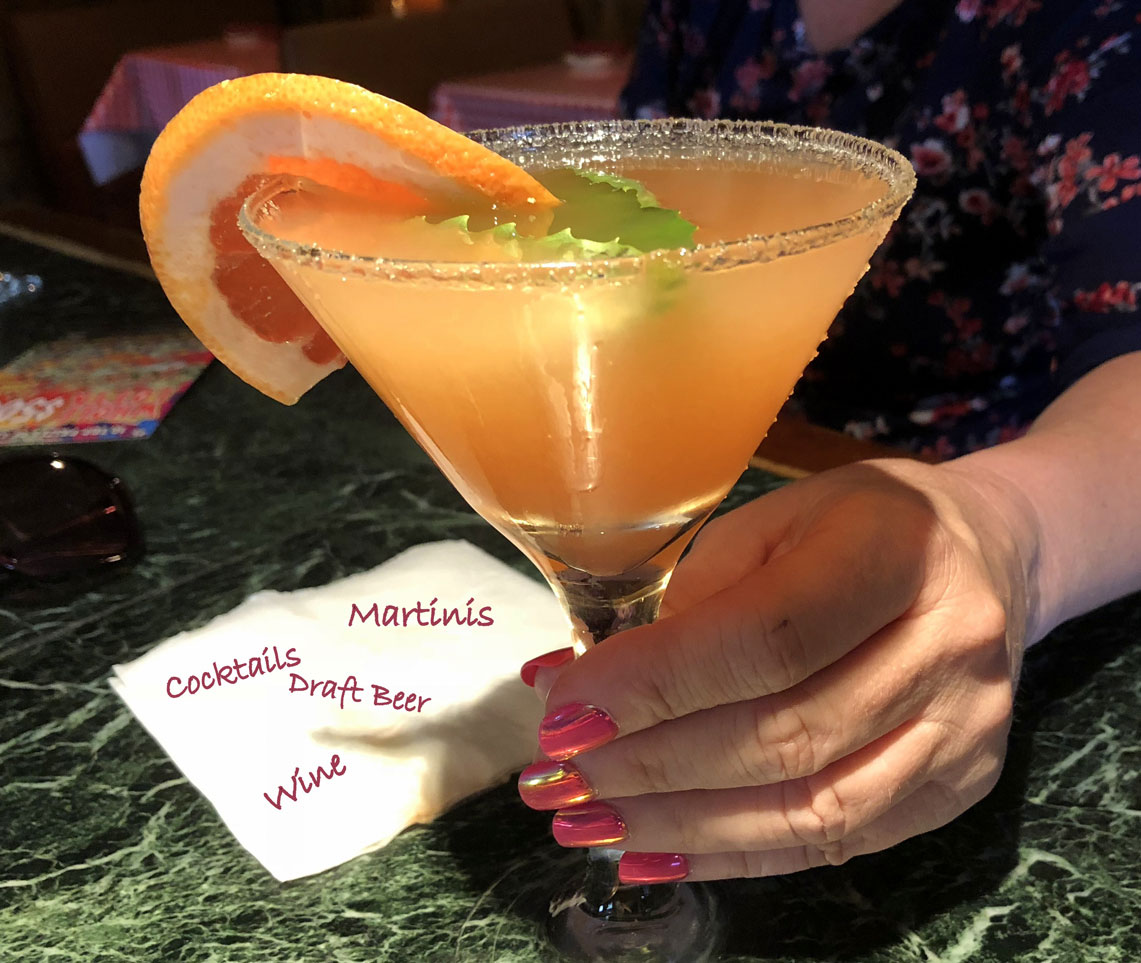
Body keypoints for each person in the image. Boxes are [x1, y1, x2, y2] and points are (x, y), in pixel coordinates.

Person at [513, 0, 1141, 884]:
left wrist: (1007, 530)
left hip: (1030, 505)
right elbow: (628, 244)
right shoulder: (699, 13)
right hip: (736, 486)